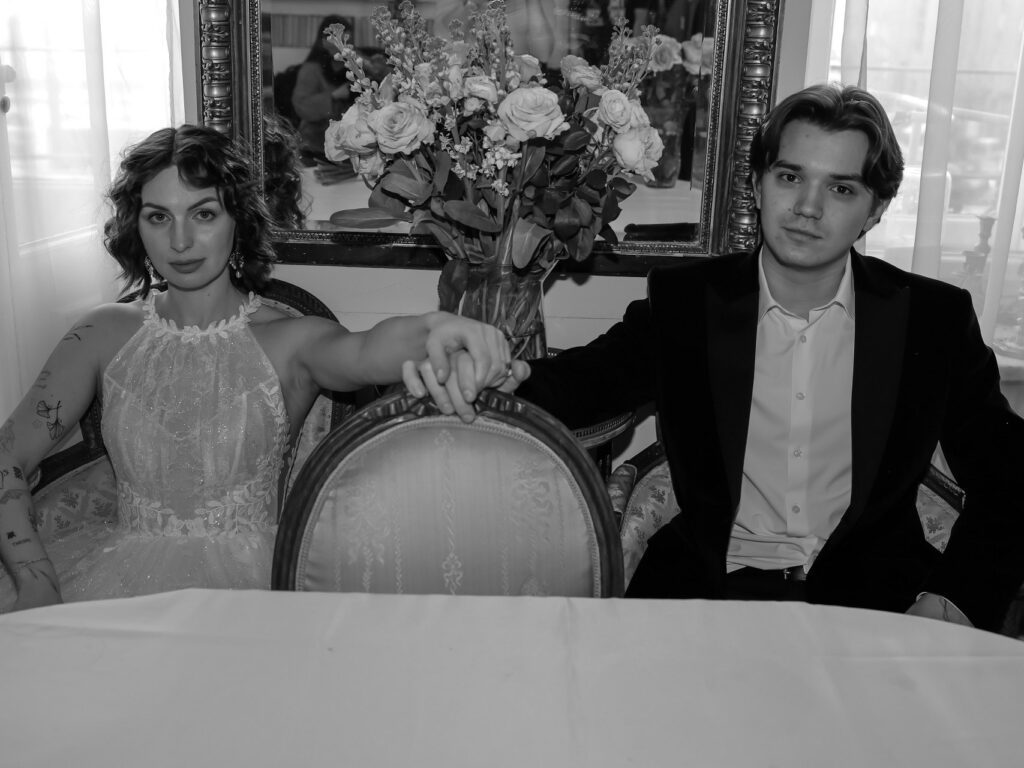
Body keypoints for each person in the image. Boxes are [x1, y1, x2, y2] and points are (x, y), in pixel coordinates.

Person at [479, 83, 1024, 632]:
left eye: (840, 188)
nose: (807, 208)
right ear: (758, 184)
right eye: (790, 177)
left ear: (875, 210)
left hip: (877, 606)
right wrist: (486, 364)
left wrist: (950, 602)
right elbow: (582, 384)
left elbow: (1009, 479)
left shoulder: (933, 319)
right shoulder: (686, 302)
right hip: (707, 599)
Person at [0, 125, 512, 612]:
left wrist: (438, 328)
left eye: (203, 214)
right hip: (115, 591)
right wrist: (35, 580)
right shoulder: (102, 333)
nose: (180, 241)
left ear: (238, 220)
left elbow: (367, 350)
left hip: (259, 592)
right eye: (158, 217)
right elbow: (8, 455)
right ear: (136, 225)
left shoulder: (290, 340)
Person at [291, 15, 354, 158]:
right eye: (339, 41)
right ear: (325, 42)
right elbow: (301, 104)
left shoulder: (352, 66)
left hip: (346, 145)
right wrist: (333, 96)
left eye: (348, 41)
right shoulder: (311, 68)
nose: (344, 46)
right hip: (314, 145)